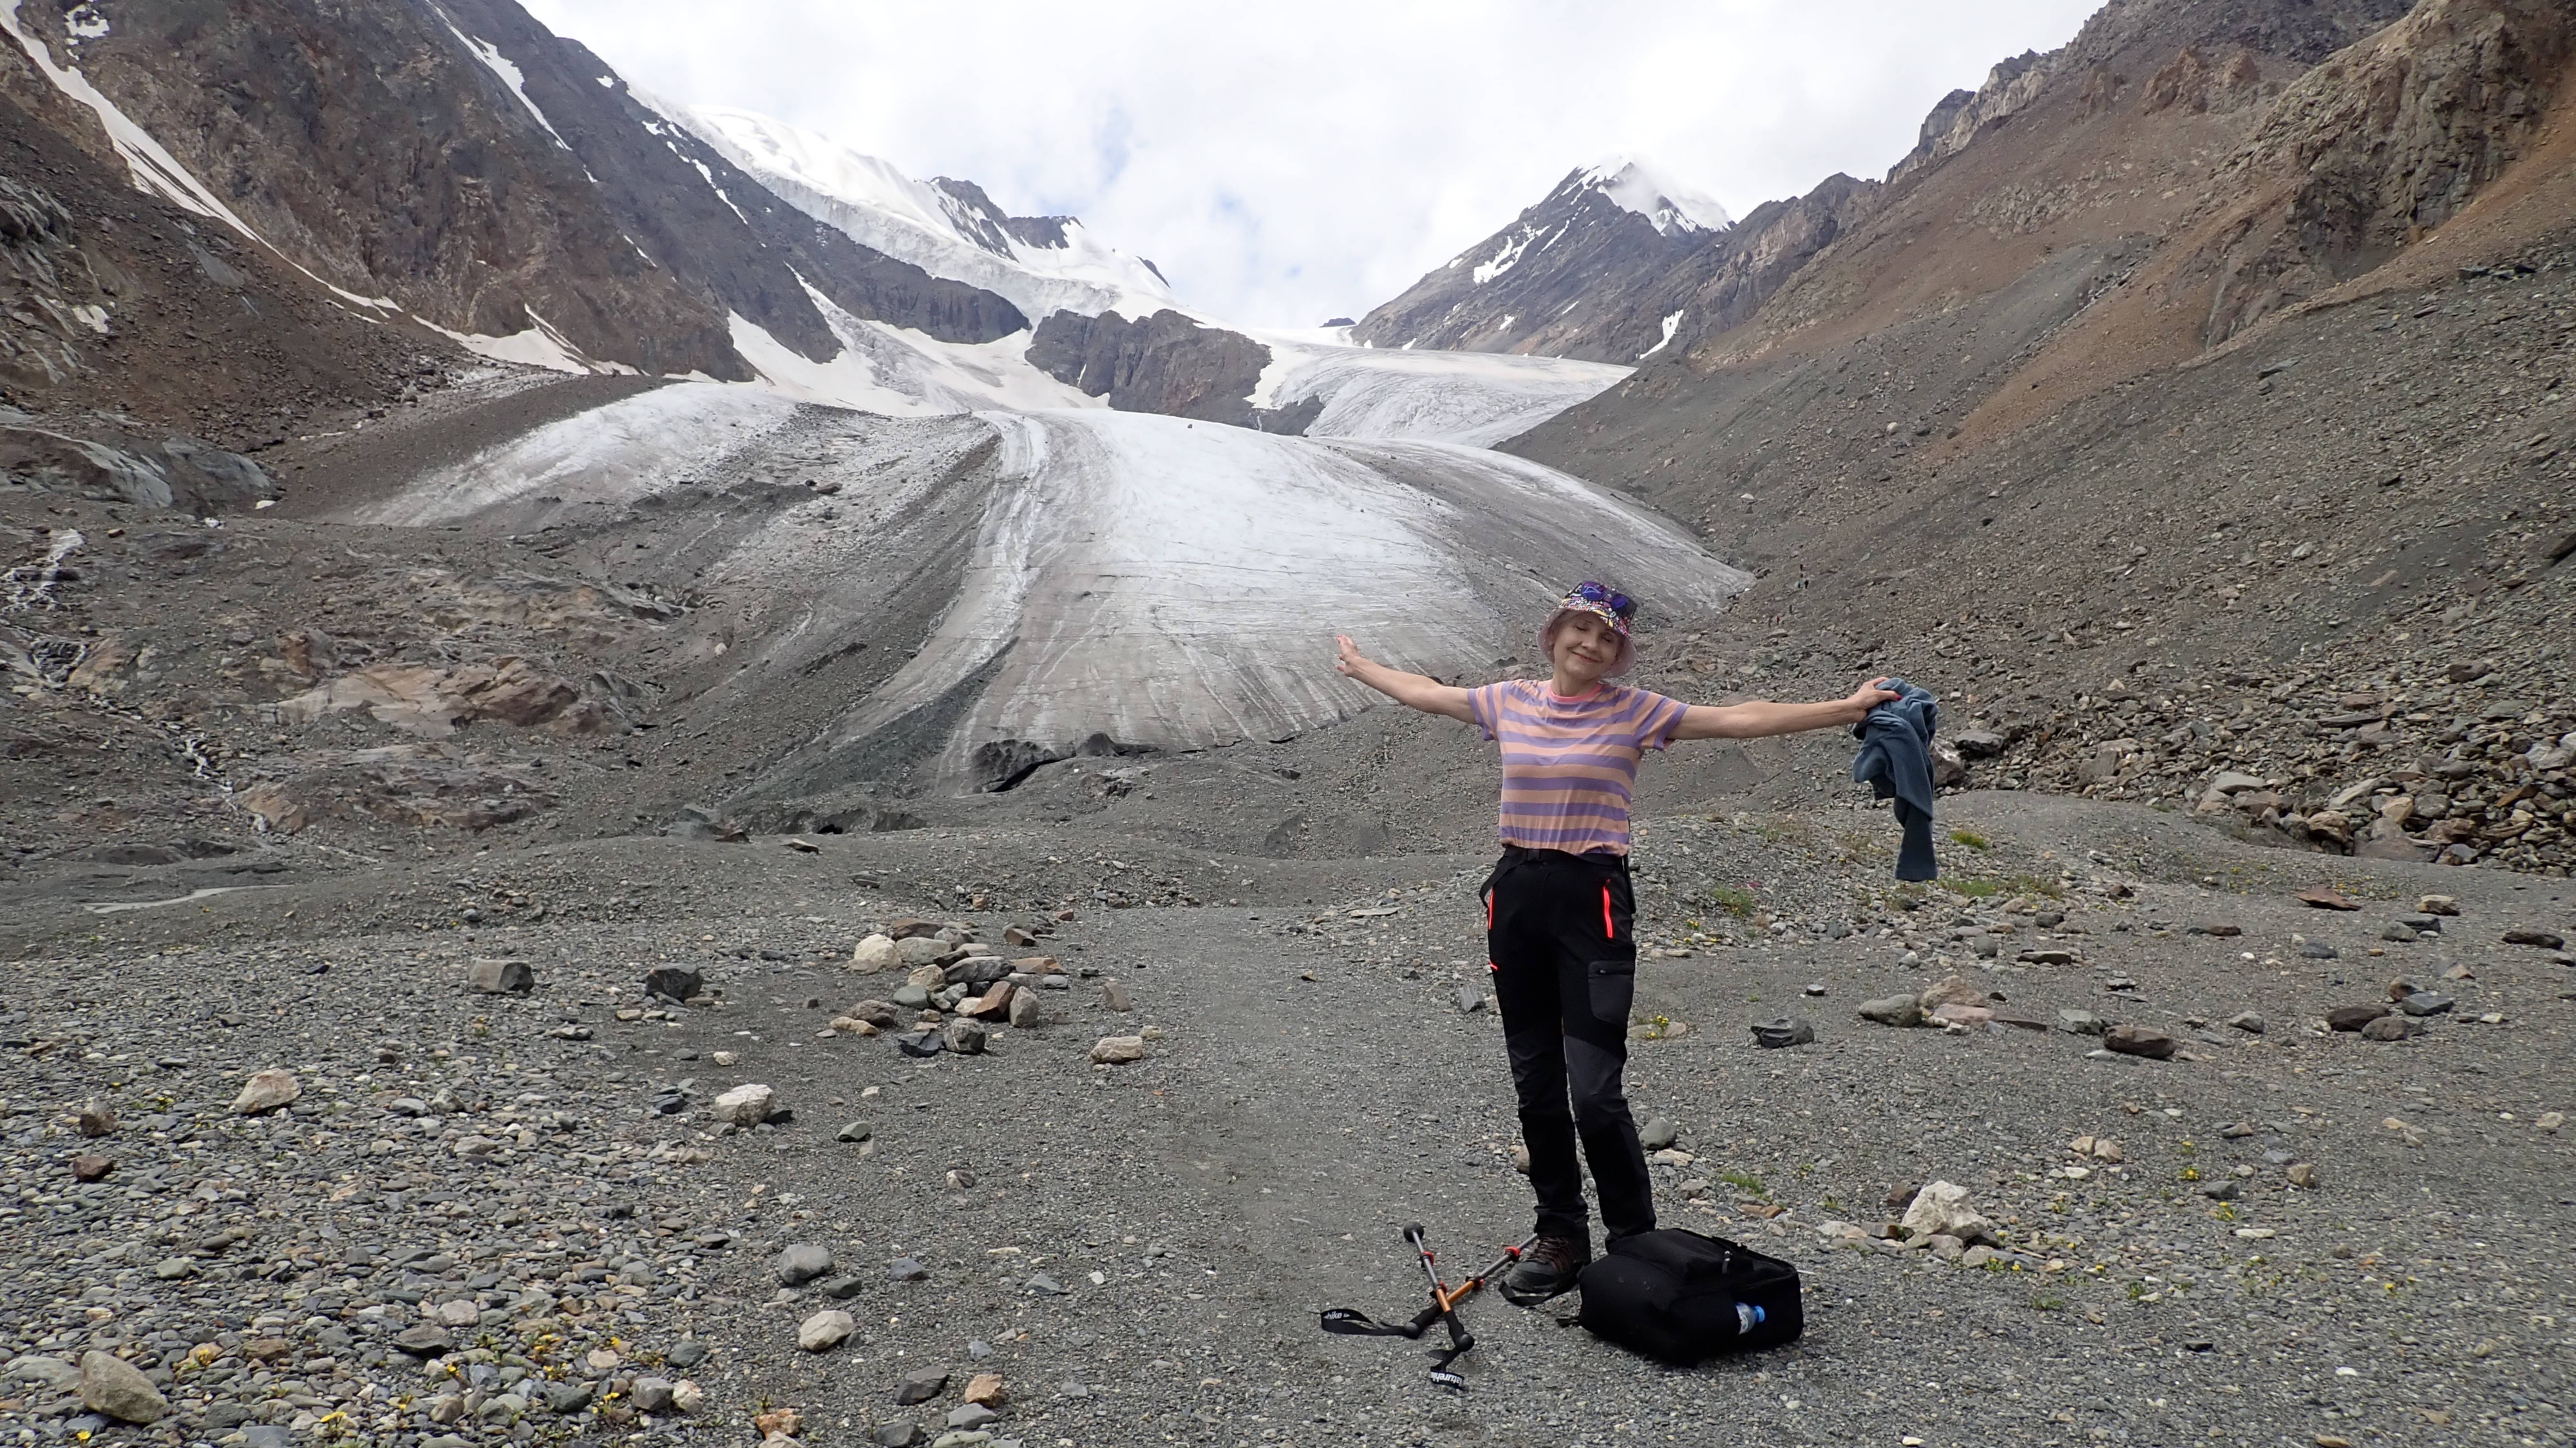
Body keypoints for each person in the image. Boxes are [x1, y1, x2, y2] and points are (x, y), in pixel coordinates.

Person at [1333, 581, 1897, 1302]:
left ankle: (1633, 1240)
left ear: (1618, 652)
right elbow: (1428, 693)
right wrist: (1363, 667)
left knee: (1595, 1092)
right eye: (1581, 629)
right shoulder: (1509, 701)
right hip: (1516, 898)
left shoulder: (1636, 711)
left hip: (1593, 902)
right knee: (1536, 1085)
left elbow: (1739, 719)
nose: (1591, 645)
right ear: (1556, 633)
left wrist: (1846, 709)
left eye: (1607, 637)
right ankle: (1562, 1235)